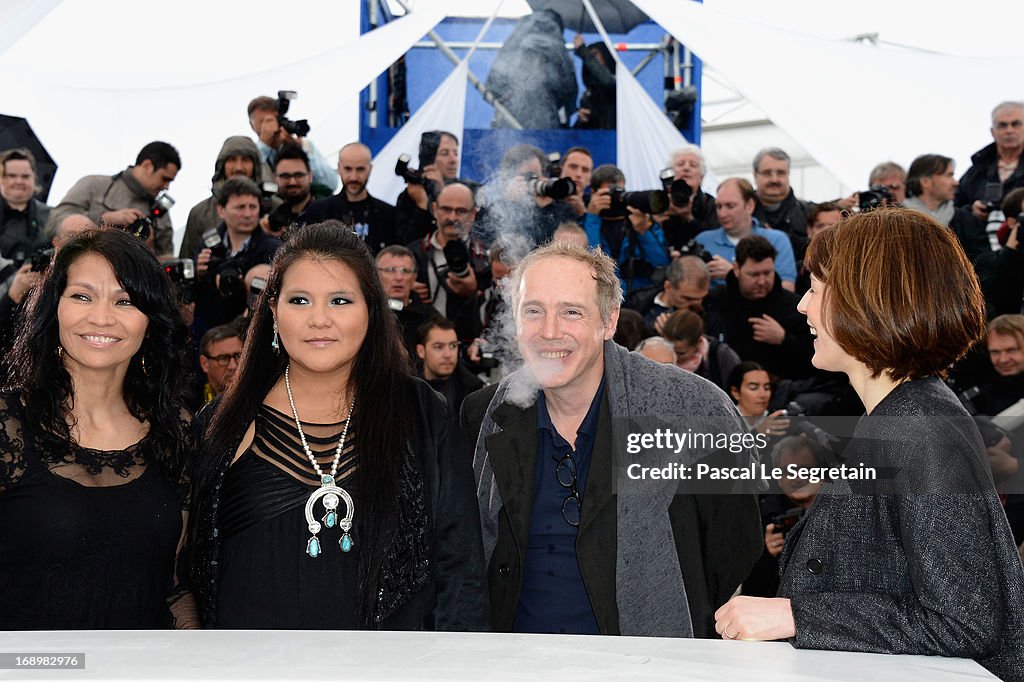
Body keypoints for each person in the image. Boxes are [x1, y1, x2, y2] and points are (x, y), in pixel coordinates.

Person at [714, 207, 1024, 681]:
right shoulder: (905, 415)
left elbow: (965, 621)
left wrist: (796, 615)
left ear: (869, 302)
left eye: (816, 290)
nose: (802, 307)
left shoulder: (922, 428)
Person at [189, 222, 488, 630]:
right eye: (299, 300)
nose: (319, 320)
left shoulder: (421, 413)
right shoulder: (221, 424)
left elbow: (460, 568)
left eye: (340, 301)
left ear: (371, 309)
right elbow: (184, 574)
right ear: (273, 311)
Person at [462, 241, 762, 636]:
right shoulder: (484, 413)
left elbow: (735, 547)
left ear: (609, 320)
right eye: (533, 311)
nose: (550, 331)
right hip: (516, 661)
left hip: (651, 664)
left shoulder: (694, 410)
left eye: (571, 312)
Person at [0, 227, 195, 628]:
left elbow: (174, 585)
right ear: (54, 308)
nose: (102, 317)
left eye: (124, 300)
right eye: (82, 296)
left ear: (150, 320)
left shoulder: (178, 432)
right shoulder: (7, 426)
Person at [46, 141, 180, 257]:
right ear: (147, 166)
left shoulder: (160, 213)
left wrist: (147, 248)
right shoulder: (93, 185)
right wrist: (105, 218)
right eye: (164, 178)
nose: (166, 187)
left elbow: (166, 260)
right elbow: (53, 223)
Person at [696, 178, 797, 291]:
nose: (722, 214)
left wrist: (732, 275)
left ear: (749, 206)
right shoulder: (702, 240)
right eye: (718, 206)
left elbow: (787, 289)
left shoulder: (776, 240)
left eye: (730, 206)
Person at [300, 142, 397, 254]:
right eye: (348, 169)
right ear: (339, 168)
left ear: (370, 169)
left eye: (360, 169)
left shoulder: (388, 214)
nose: (354, 177)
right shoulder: (318, 210)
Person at [179, 136, 266, 259]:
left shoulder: (273, 207)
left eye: (246, 160)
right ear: (222, 165)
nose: (239, 167)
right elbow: (186, 262)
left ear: (255, 165)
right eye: (232, 160)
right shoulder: (200, 213)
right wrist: (199, 268)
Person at [247, 95, 338, 193]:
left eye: (273, 120)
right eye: (263, 122)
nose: (270, 126)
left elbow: (330, 184)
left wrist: (297, 148)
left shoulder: (303, 145)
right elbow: (248, 181)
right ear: (252, 125)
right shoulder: (249, 151)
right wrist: (264, 144)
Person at [572, 36, 615, 130]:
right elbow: (578, 135)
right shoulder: (588, 96)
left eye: (594, 54)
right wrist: (581, 121)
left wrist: (582, 50)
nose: (591, 60)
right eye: (590, 55)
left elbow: (607, 81)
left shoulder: (618, 86)